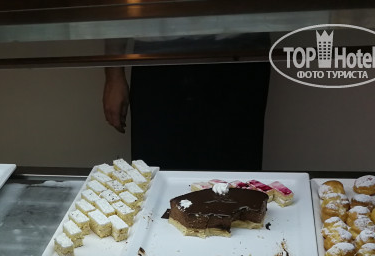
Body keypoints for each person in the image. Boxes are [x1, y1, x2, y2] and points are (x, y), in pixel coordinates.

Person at [103, 35, 271, 171]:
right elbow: (116, 9)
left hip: (240, 54)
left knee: (235, 174)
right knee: (156, 169)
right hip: (157, 57)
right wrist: (113, 75)